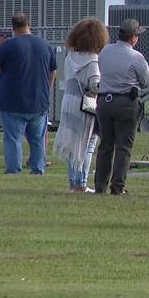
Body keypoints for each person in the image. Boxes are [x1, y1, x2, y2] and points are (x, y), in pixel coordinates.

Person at [0, 13, 57, 174]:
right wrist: (46, 90)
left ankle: (13, 171)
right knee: (38, 140)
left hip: (12, 102)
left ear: (13, 28)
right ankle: (38, 169)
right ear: (28, 24)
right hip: (39, 102)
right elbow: (53, 71)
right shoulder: (44, 45)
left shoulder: (9, 45)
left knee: (13, 139)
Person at [94, 19, 149, 195]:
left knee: (105, 145)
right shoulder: (136, 57)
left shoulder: (105, 51)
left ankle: (100, 185)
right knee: (123, 147)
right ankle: (117, 185)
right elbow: (147, 82)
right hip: (125, 101)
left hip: (104, 100)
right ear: (133, 38)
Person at [53, 18, 108, 192]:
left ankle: (73, 182)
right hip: (86, 103)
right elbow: (94, 85)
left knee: (72, 142)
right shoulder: (94, 61)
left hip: (68, 101)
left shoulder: (71, 57)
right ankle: (82, 183)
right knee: (87, 145)